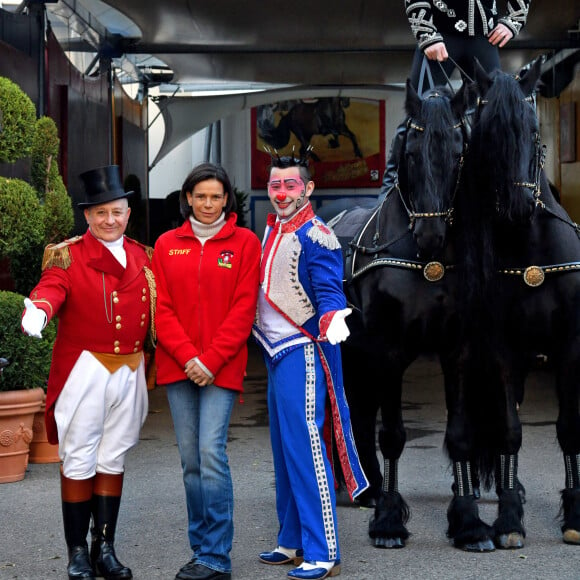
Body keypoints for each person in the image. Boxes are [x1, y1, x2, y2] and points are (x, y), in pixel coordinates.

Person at [21, 165, 155, 580]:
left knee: (112, 458)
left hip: (130, 370)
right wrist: (39, 311)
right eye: (100, 214)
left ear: (127, 213)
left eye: (116, 212)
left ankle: (105, 549)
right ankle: (77, 552)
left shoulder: (144, 255)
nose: (109, 220)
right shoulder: (69, 254)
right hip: (86, 370)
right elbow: (52, 287)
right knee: (79, 459)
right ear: (88, 217)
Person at [253, 152, 369, 580]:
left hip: (301, 350)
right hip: (274, 351)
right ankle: (292, 539)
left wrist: (332, 317)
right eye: (276, 186)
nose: (282, 193)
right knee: (285, 454)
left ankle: (323, 551)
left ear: (308, 189)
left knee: (307, 452)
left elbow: (328, 289)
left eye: (291, 186)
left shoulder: (317, 235)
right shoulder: (274, 229)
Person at [151, 162, 261, 580]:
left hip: (221, 367)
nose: (209, 204)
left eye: (216, 196)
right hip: (179, 366)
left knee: (211, 455)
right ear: (188, 199)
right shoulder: (165, 245)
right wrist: (186, 357)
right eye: (201, 196)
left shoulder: (245, 243)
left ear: (227, 199)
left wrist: (210, 360)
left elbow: (243, 308)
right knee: (190, 461)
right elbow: (161, 308)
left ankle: (216, 555)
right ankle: (200, 549)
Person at [380, 0, 532, 197]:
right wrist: (426, 33)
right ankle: (389, 193)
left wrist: (514, 19)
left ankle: (504, 193)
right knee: (417, 116)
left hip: (484, 37)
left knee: (498, 115)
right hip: (439, 35)